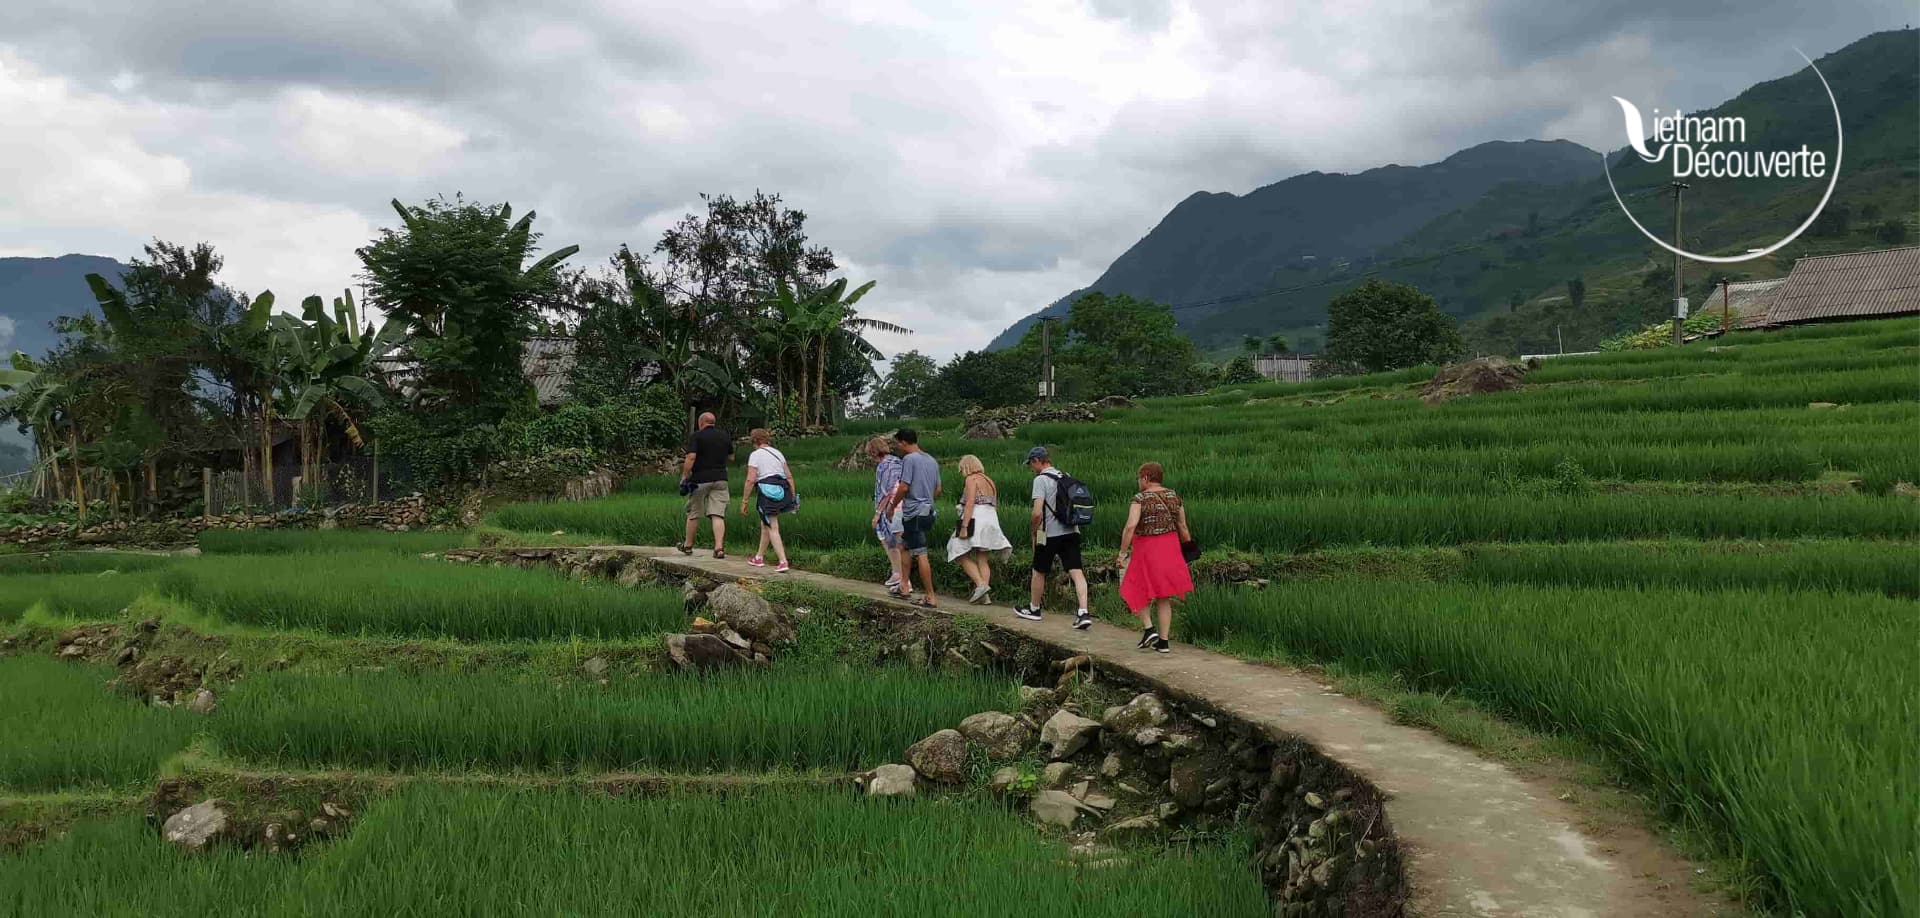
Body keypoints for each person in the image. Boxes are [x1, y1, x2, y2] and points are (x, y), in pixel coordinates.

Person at [1117, 461, 1194, 654]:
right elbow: (1183, 527)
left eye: (1138, 478)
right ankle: (1164, 642)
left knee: (1133, 586)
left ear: (1146, 478)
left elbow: (1130, 526)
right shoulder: (1173, 496)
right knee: (1163, 594)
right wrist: (1189, 548)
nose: (1138, 482)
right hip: (1170, 547)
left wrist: (1123, 553)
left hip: (1147, 547)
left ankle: (1149, 628)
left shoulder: (1140, 498)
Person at [1014, 446, 1091, 629]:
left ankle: (1034, 608)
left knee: (1039, 570)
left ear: (1037, 461)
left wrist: (1033, 531)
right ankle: (1083, 612)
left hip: (1049, 534)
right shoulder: (1065, 475)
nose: (1032, 468)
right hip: (1072, 531)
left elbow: (1036, 513)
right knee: (1076, 570)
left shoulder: (1041, 480)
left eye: (1031, 464)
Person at [881, 428, 942, 608]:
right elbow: (938, 489)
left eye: (898, 443)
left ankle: (930, 597)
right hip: (928, 512)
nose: (898, 447)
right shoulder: (931, 460)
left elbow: (904, 487)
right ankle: (904, 587)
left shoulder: (909, 459)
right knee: (904, 546)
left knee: (921, 553)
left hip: (914, 513)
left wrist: (892, 507)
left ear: (903, 442)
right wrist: (926, 497)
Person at [945, 454, 1013, 605]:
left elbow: (970, 503)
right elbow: (995, 504)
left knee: (956, 550)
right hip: (991, 518)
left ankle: (981, 585)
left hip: (976, 517)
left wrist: (964, 526)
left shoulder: (971, 479)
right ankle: (984, 595)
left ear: (966, 467)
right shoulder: (989, 480)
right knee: (983, 557)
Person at [739, 428, 796, 572]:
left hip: (767, 492)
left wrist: (744, 501)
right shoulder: (778, 453)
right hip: (783, 490)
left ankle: (783, 561)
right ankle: (759, 557)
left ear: (755, 441)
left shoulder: (755, 455)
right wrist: (793, 497)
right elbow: (789, 476)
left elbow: (751, 479)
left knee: (772, 526)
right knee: (765, 524)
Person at [678, 412, 733, 558]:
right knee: (717, 514)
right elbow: (731, 456)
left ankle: (688, 545)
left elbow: (691, 457)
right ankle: (719, 548)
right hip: (721, 479)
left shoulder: (697, 436)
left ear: (701, 422)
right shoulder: (724, 436)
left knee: (694, 513)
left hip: (700, 479)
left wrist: (684, 476)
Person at [867, 437, 910, 597]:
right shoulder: (897, 461)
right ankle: (896, 573)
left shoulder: (884, 466)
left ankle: (903, 579)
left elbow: (886, 492)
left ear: (873, 452)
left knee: (892, 541)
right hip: (903, 505)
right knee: (891, 541)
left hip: (893, 508)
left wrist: (877, 514)